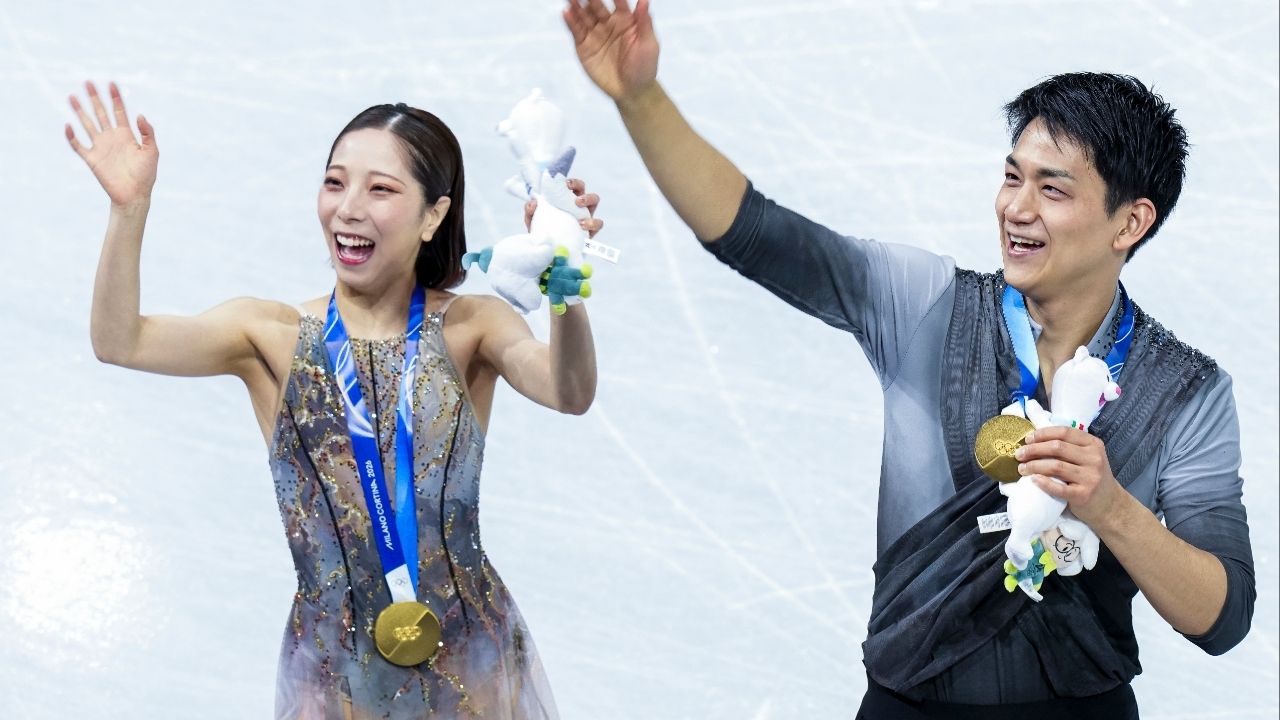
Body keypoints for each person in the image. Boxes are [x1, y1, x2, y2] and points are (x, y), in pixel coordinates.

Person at [561, 1, 1255, 717]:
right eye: (1012, 176)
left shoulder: (1186, 390)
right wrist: (642, 100)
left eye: (1052, 189)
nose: (1016, 208)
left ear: (1131, 221)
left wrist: (1111, 508)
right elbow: (760, 236)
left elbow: (1222, 618)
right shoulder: (926, 305)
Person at [66, 81, 601, 719]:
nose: (348, 208)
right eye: (334, 183)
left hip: (469, 659)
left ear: (433, 216)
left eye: (381, 189)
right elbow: (119, 341)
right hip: (331, 670)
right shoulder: (269, 335)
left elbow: (568, 392)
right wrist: (129, 211)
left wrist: (562, 287)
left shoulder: (471, 328)